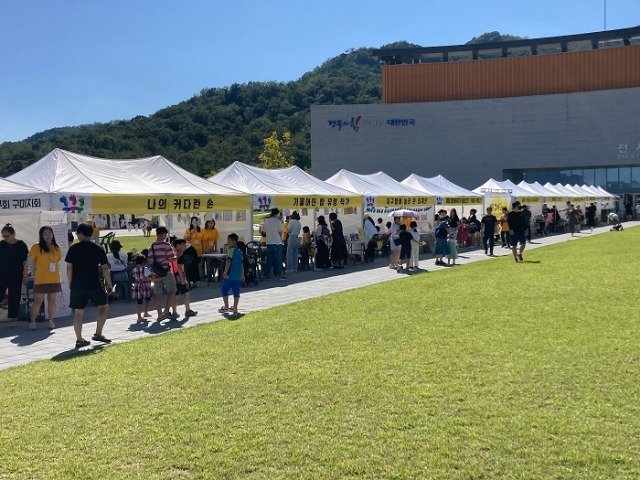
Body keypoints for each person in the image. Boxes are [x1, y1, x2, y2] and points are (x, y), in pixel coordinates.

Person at [65, 223, 112, 348]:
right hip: (94, 283)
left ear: (81, 234)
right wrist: (109, 284)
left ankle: (79, 339)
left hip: (77, 284)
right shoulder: (98, 248)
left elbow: (69, 268)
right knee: (103, 306)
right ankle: (98, 333)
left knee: (78, 312)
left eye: (77, 234)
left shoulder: (73, 248)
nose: (76, 236)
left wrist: (70, 282)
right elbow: (105, 268)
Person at [28, 226, 62, 330]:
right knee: (38, 300)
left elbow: (58, 261)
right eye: (45, 234)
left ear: (53, 234)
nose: (48, 235)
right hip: (41, 279)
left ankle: (51, 321)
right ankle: (33, 322)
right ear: (41, 235)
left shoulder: (56, 247)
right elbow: (30, 260)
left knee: (52, 300)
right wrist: (32, 271)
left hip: (54, 278)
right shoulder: (36, 246)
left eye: (50, 233)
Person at [148, 226, 178, 321]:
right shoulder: (166, 245)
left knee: (157, 293)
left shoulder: (152, 246)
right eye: (165, 234)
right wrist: (178, 255)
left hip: (156, 273)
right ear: (163, 234)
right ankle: (166, 311)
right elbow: (171, 258)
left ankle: (159, 315)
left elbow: (150, 261)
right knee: (172, 291)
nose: (166, 236)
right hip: (166, 271)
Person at [0, 224, 29, 323]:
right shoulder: (2, 244)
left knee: (15, 295)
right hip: (2, 274)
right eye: (3, 236)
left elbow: (25, 262)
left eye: (7, 236)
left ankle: (14, 316)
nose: (5, 238)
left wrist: (25, 276)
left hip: (16, 274)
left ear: (13, 234)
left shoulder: (21, 245)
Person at [218, 233, 244, 317]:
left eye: (229, 240)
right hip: (237, 276)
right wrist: (242, 275)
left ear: (234, 241)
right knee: (236, 292)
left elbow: (228, 261)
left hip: (229, 276)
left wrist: (225, 272)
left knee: (224, 289)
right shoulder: (240, 251)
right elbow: (241, 264)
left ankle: (226, 307)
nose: (227, 242)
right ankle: (235, 308)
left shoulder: (230, 250)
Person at [172, 239, 198, 318]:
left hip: (173, 275)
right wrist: (183, 279)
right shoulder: (179, 254)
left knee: (175, 294)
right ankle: (187, 310)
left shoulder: (173, 253)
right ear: (178, 245)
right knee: (186, 293)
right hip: (178, 275)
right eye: (184, 245)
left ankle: (174, 312)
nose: (185, 246)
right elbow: (179, 266)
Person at [261, 208, 285, 280]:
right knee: (278, 259)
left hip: (269, 242)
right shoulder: (278, 221)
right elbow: (280, 232)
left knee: (269, 259)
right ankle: (278, 274)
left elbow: (264, 232)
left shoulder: (267, 221)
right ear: (277, 214)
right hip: (277, 242)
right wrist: (282, 240)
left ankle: (267, 274)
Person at [131, 255, 152, 323]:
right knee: (148, 299)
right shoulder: (145, 269)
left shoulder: (134, 269)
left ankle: (139, 317)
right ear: (143, 262)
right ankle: (145, 312)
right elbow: (148, 278)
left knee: (139, 301)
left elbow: (134, 276)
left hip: (137, 285)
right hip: (145, 285)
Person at [183, 217, 202, 287]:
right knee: (191, 266)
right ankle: (192, 281)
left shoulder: (200, 230)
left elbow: (202, 240)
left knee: (196, 266)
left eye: (196, 221)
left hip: (199, 251)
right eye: (193, 221)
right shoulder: (188, 230)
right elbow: (185, 239)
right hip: (191, 251)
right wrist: (191, 232)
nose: (195, 223)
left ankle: (195, 281)